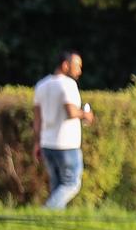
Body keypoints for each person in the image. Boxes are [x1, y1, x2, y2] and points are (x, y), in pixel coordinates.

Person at [32, 50, 93, 210]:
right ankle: (46, 212)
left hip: (47, 144)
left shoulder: (41, 85)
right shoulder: (68, 84)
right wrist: (85, 115)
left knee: (57, 186)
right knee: (72, 184)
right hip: (66, 145)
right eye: (77, 66)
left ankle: (54, 224)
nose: (79, 71)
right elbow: (71, 112)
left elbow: (37, 119)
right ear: (65, 65)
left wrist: (37, 143)